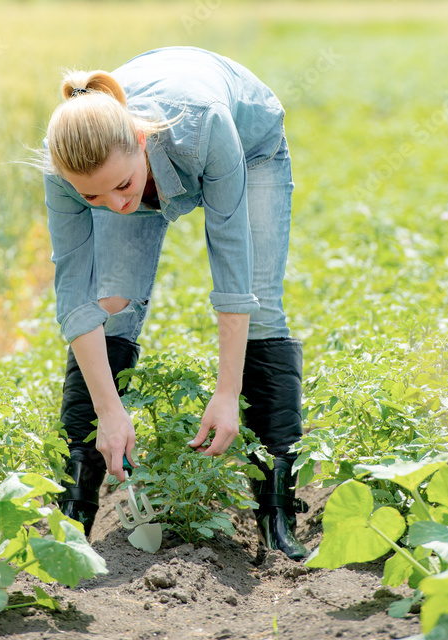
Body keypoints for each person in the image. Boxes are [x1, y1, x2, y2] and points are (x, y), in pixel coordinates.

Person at [39, 45, 308, 560]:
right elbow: (74, 295)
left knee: (262, 311)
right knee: (112, 309)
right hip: (150, 151)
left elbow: (232, 268)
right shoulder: (67, 167)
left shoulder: (206, 126)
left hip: (247, 145)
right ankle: (75, 510)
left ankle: (277, 513)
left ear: (140, 140)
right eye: (93, 198)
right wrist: (109, 411)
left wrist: (227, 393)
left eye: (122, 185)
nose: (117, 206)